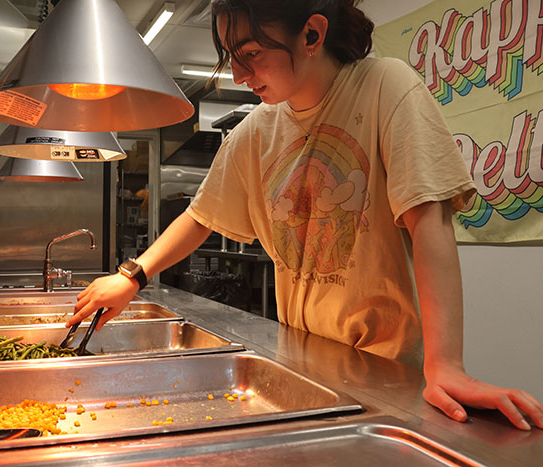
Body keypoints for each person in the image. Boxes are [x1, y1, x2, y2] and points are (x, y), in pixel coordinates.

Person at [69, 0, 543, 430]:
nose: (238, 75)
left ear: (312, 35)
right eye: (231, 57)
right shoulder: (257, 129)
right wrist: (132, 276)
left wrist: (447, 366)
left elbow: (430, 221)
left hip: (386, 370)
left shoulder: (385, 87)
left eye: (251, 53)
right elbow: (202, 216)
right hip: (305, 358)